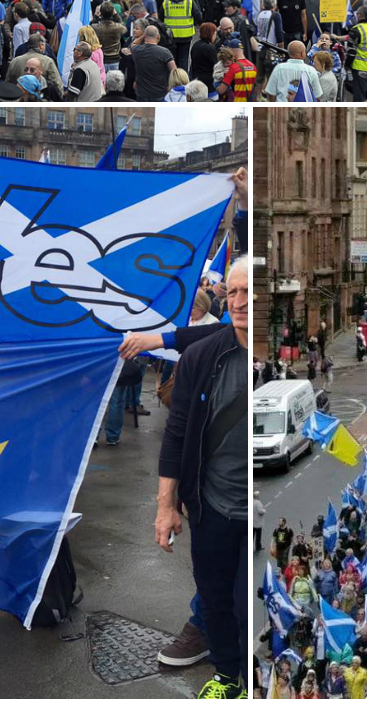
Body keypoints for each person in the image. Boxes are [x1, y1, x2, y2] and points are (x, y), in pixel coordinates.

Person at [157, 256, 248, 699]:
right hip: (211, 509)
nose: (241, 301)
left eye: (251, 291)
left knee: (247, 605)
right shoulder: (202, 356)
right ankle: (228, 677)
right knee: (213, 600)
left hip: (257, 518)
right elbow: (176, 436)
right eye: (233, 292)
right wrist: (166, 506)